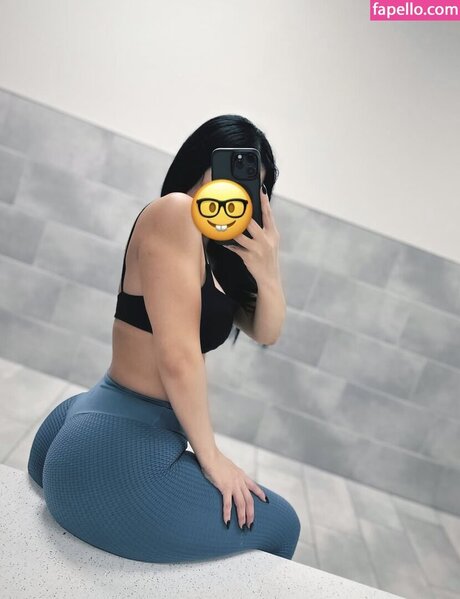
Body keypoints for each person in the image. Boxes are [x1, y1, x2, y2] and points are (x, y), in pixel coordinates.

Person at [27, 114, 301, 563]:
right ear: (199, 164)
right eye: (228, 173)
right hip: (112, 447)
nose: (238, 194)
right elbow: (178, 356)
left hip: (94, 421)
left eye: (253, 185)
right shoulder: (175, 212)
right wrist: (212, 457)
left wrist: (267, 270)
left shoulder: (215, 254)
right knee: (283, 525)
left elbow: (265, 331)